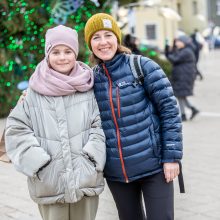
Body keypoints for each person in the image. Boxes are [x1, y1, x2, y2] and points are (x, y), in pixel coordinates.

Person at [84, 13, 183, 220]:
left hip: (155, 166)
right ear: (89, 44)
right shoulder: (90, 79)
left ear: (117, 39)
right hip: (117, 173)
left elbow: (169, 111)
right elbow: (61, 91)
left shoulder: (142, 66)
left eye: (108, 35)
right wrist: (29, 95)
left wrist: (172, 157)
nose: (103, 42)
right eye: (96, 37)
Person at [5, 25, 106, 220]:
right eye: (56, 52)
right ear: (47, 55)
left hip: (85, 177)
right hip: (49, 181)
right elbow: (17, 129)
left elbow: (99, 125)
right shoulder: (34, 90)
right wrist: (39, 163)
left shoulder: (87, 85)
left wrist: (92, 158)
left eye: (68, 51)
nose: (62, 57)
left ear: (75, 53)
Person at [165, 35, 199, 121]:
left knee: (179, 95)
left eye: (178, 41)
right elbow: (173, 55)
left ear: (183, 42)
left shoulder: (186, 51)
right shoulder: (183, 50)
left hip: (184, 76)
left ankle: (185, 113)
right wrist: (168, 49)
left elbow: (174, 59)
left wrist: (167, 53)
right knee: (181, 95)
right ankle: (190, 110)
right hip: (182, 76)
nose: (176, 43)